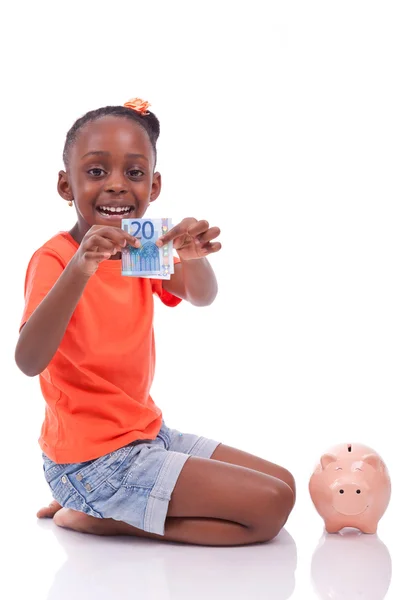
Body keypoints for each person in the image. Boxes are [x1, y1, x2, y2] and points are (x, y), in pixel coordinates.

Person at [15, 98, 295, 546]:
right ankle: (89, 515)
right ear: (66, 185)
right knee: (268, 509)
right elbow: (28, 360)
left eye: (134, 172)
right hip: (90, 461)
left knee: (284, 485)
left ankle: (100, 509)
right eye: (96, 172)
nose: (117, 186)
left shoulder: (139, 250)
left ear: (155, 185)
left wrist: (191, 256)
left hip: (147, 434)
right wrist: (81, 267)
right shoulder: (55, 259)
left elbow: (202, 295)